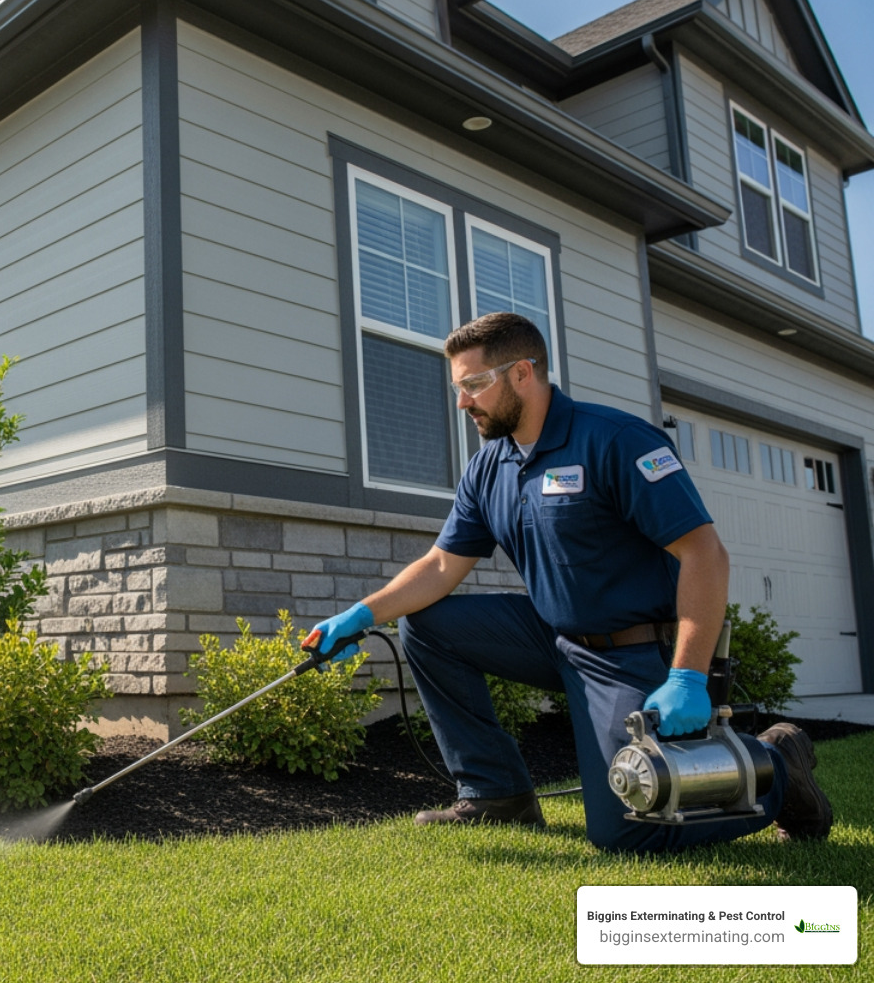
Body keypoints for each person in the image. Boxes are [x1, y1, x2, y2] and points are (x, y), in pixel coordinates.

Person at [306, 311, 832, 853]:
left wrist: (688, 677)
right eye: (457, 387)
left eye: (474, 384)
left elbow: (705, 553)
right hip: (550, 635)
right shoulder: (489, 466)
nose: (462, 402)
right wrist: (362, 614)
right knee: (427, 624)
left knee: (626, 830)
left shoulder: (617, 440)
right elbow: (442, 565)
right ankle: (496, 796)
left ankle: (779, 765)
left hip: (628, 652)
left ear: (522, 373)